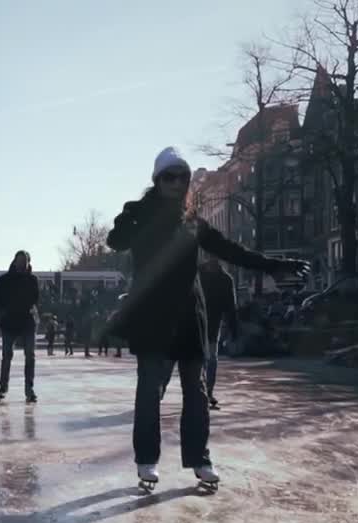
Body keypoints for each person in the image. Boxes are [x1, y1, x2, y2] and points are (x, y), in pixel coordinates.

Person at [106, 146, 309, 493]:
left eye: (182, 177)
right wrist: (132, 213)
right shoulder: (141, 216)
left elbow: (233, 251)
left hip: (188, 317)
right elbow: (115, 240)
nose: (176, 182)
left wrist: (277, 264)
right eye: (169, 176)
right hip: (153, 318)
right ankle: (147, 460)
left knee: (196, 393)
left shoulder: (193, 224)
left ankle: (200, 460)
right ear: (157, 181)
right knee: (149, 391)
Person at [0, 250, 39, 402]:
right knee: (7, 355)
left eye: (24, 261)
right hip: (9, 321)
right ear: (14, 261)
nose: (21, 263)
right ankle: (3, 386)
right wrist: (5, 312)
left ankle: (29, 389)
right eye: (19, 260)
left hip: (27, 321)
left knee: (30, 356)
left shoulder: (32, 280)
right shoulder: (5, 280)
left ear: (28, 263)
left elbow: (35, 298)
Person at [199, 257, 238, 409]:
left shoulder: (226, 280)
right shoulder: (197, 274)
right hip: (196, 323)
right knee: (202, 360)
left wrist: (233, 330)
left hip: (213, 325)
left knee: (211, 360)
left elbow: (230, 307)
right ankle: (203, 391)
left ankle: (207, 392)